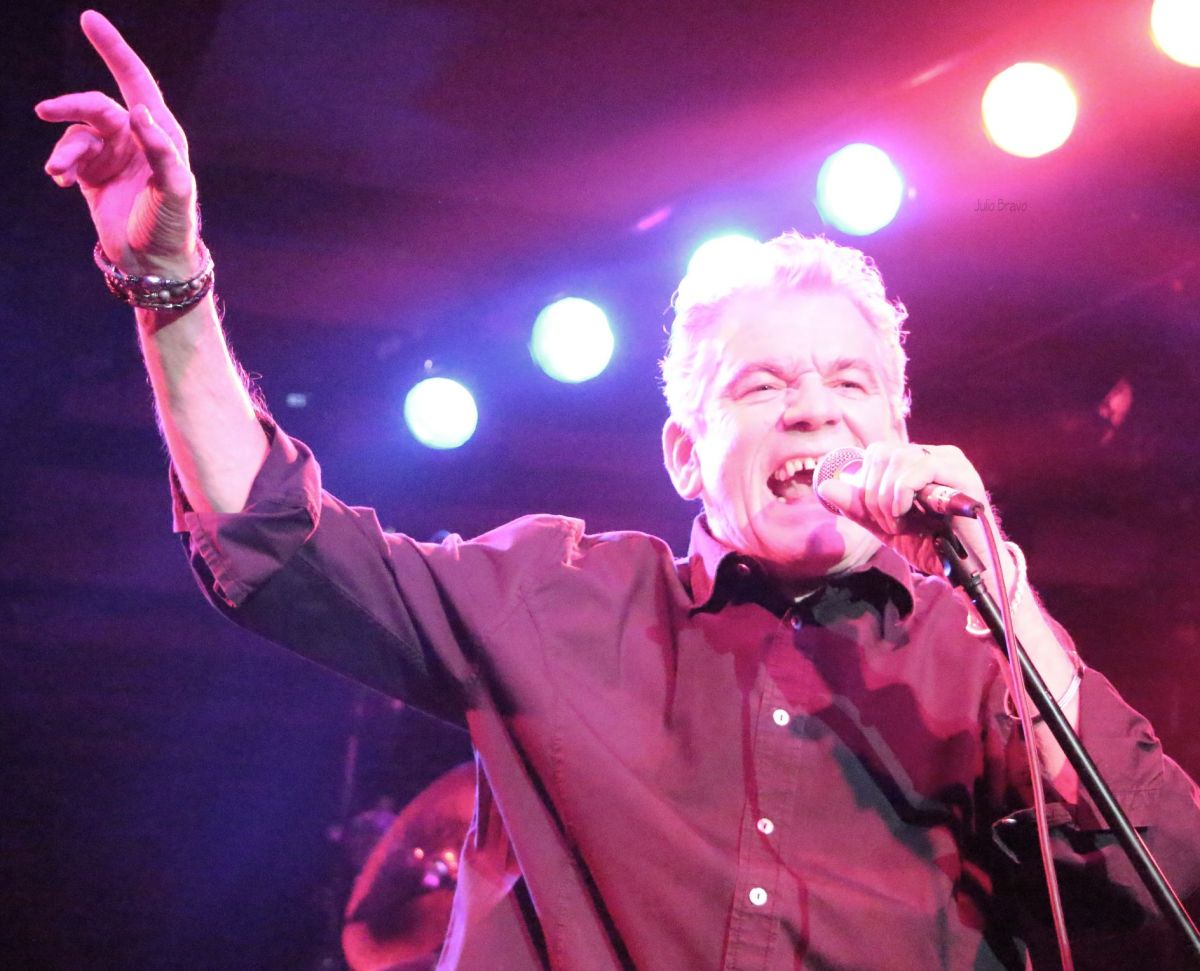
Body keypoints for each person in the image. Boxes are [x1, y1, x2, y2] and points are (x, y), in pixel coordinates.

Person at [37, 11, 1200, 970]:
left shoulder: (977, 658)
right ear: (686, 454)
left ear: (896, 430)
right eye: (763, 384)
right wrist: (167, 280)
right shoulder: (556, 595)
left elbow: (1171, 885)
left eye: (851, 383)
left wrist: (1004, 589)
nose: (813, 408)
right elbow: (273, 537)